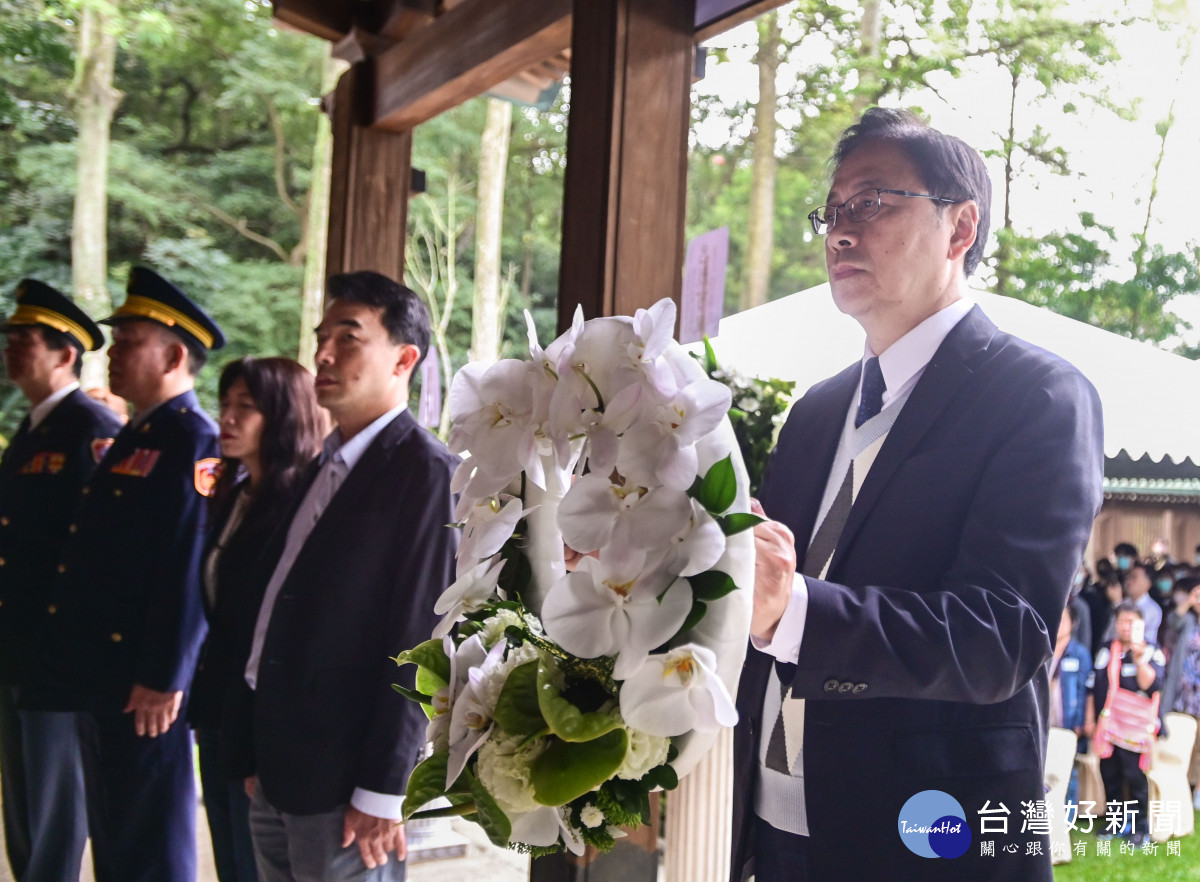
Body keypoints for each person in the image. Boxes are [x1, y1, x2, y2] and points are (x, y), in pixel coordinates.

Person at [730, 108, 1103, 881]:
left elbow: (1003, 634)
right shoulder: (815, 413)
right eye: (831, 211)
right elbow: (755, 590)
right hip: (769, 822)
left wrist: (793, 607)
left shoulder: (1037, 397)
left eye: (870, 203)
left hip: (927, 836)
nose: (840, 231)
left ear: (960, 227)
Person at [236, 271, 458, 880]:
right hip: (282, 762)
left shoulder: (427, 473)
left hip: (348, 784)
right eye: (321, 336)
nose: (323, 355)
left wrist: (385, 791)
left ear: (404, 358)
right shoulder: (323, 464)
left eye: (349, 338)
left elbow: (420, 639)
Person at [25, 266, 225, 881]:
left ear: (172, 354)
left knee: (150, 839)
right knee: (112, 829)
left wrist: (165, 676)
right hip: (102, 672)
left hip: (145, 682)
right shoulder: (135, 436)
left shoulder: (193, 439)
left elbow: (189, 567)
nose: (111, 355)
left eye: (129, 342)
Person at [187, 358, 328, 882]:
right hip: (217, 709)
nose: (227, 418)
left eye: (245, 408)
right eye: (225, 405)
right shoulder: (233, 494)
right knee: (229, 856)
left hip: (262, 722)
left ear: (285, 417)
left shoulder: (300, 504)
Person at [0, 280, 122, 882]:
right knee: (22, 801)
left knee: (52, 804)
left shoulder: (89, 428)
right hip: (18, 642)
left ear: (65, 353)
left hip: (58, 649)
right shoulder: (32, 430)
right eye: (11, 339)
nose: (12, 349)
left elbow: (101, 548)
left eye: (27, 340)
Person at [1091, 601, 1164, 847]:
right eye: (1122, 621)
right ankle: (1115, 822)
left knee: (1134, 777)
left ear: (1141, 625)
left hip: (1136, 729)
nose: (1126, 626)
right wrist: (1091, 720)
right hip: (1109, 725)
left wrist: (1139, 657)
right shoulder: (1106, 650)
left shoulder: (1152, 651)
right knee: (1109, 772)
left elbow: (1152, 687)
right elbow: (1093, 687)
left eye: (1131, 621)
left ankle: (1140, 826)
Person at [1159, 576, 1200, 809]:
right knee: (1182, 739)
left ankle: (1198, 788)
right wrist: (1190, 600)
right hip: (1184, 693)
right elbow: (1173, 620)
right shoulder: (1189, 621)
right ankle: (1181, 783)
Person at [1050, 606, 1093, 806]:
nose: (1058, 625)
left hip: (1069, 718)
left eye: (1063, 620)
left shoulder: (1079, 653)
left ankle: (1068, 813)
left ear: (1073, 624)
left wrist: (1082, 721)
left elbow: (1085, 690)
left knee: (1069, 765)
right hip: (1045, 717)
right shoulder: (1043, 649)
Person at [1121, 561, 1162, 647]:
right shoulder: (1123, 603)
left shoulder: (1152, 609)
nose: (1129, 581)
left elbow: (1129, 632)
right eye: (1128, 577)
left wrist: (1116, 603)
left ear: (1147, 584)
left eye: (1134, 578)